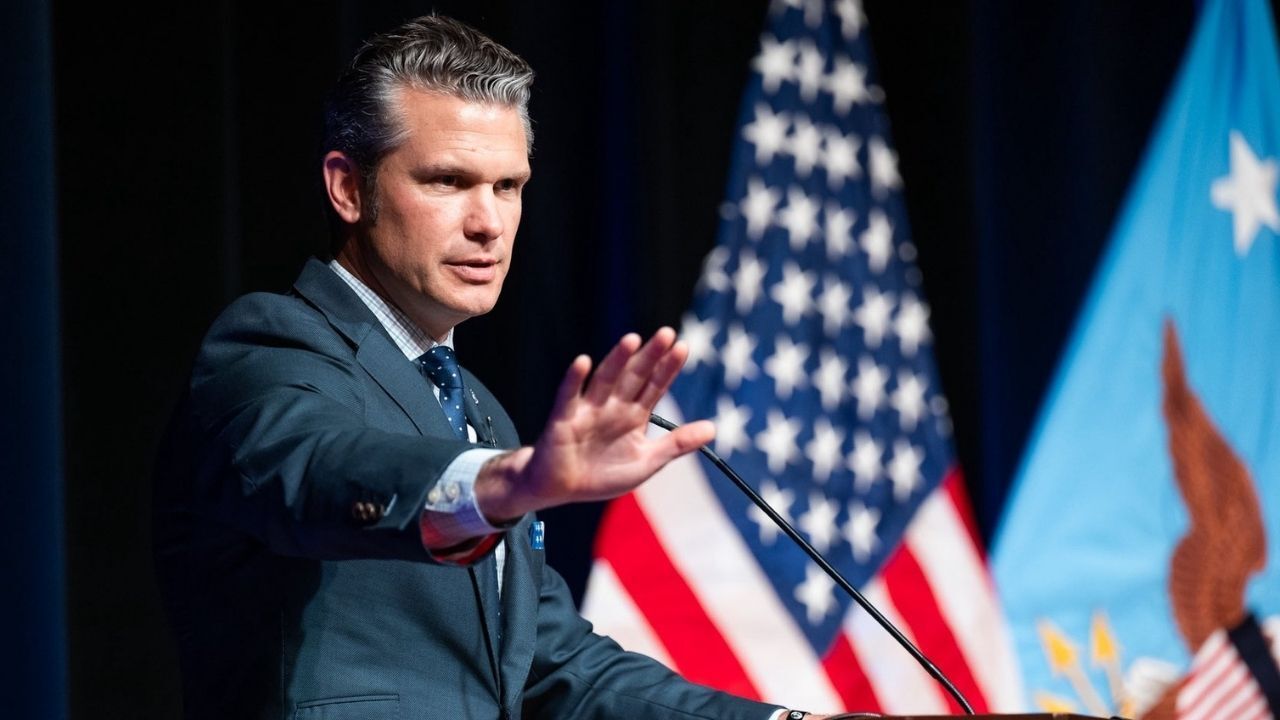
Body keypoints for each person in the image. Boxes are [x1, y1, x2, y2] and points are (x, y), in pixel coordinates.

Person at [154, 14, 828, 720]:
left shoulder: (477, 411)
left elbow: (554, 667)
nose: (489, 223)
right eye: (449, 181)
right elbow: (323, 471)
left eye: (508, 186)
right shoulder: (269, 348)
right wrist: (507, 482)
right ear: (348, 189)